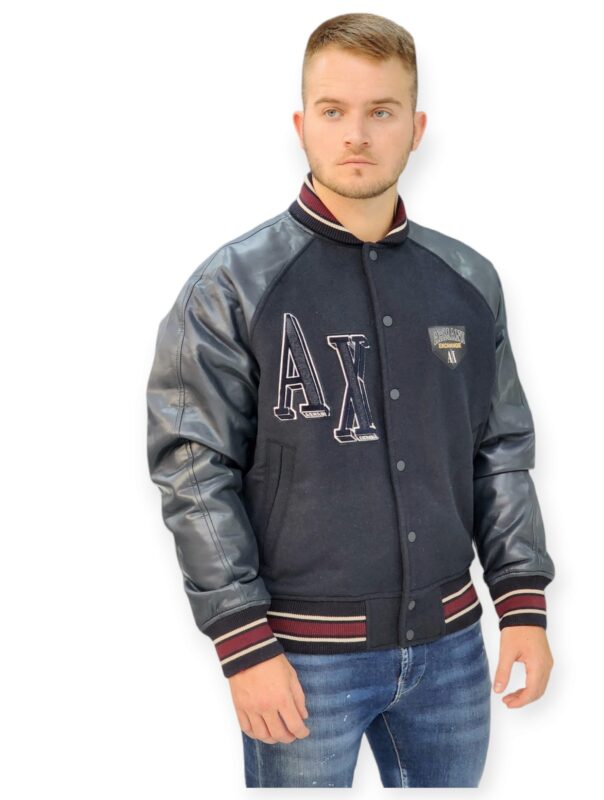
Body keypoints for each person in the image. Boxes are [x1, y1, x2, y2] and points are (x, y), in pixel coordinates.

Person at [146, 11, 556, 789]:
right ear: (301, 124)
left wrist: (522, 604)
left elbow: (498, 450)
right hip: (300, 659)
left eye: (382, 111)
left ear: (417, 128)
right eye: (333, 111)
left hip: (452, 653)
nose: (357, 135)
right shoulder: (231, 287)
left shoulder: (468, 282)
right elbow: (193, 471)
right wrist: (243, 643)